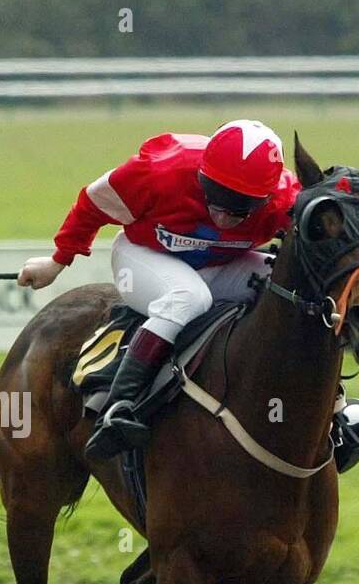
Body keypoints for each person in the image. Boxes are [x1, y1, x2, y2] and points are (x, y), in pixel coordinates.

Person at [19, 120, 300, 461]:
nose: (223, 217)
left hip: (223, 264)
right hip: (143, 257)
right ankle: (119, 407)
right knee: (190, 297)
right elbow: (93, 202)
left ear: (269, 197)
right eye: (216, 197)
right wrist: (58, 260)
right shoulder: (159, 171)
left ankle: (330, 412)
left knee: (291, 290)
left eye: (240, 206)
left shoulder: (288, 199)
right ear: (201, 175)